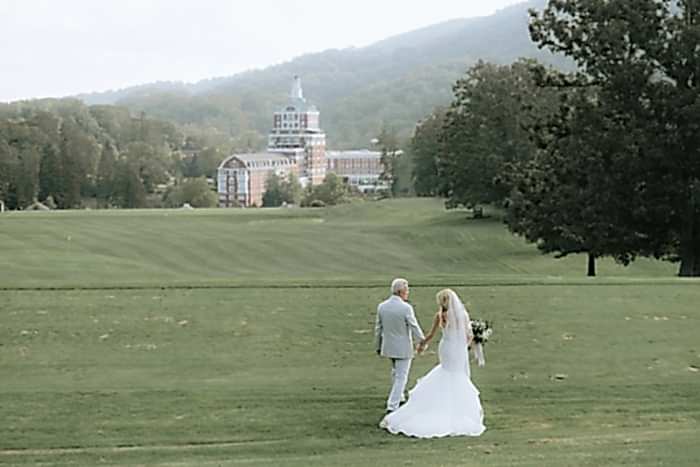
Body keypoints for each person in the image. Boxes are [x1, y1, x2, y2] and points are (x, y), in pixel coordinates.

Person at [379, 288, 485, 438]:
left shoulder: (440, 316)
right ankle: (459, 408)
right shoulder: (462, 315)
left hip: (446, 347)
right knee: (457, 374)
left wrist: (422, 344)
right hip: (457, 348)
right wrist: (468, 345)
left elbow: (430, 334)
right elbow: (468, 335)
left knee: (446, 372)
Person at [374, 278, 425, 414]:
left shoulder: (382, 306)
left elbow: (378, 328)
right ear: (401, 291)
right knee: (401, 376)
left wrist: (378, 345)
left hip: (388, 346)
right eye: (407, 290)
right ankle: (392, 405)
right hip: (403, 347)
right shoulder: (405, 308)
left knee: (395, 372)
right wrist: (422, 340)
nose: (407, 293)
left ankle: (400, 396)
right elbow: (414, 326)